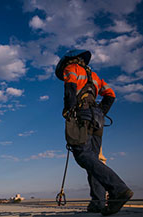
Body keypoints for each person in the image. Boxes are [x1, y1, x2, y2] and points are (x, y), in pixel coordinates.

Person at [55, 50, 133, 216]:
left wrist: (69, 110)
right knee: (93, 159)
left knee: (83, 155)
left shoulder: (71, 68)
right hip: (97, 120)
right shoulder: (95, 76)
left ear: (68, 61)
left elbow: (70, 89)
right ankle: (97, 202)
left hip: (82, 116)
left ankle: (118, 190)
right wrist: (101, 112)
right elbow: (111, 95)